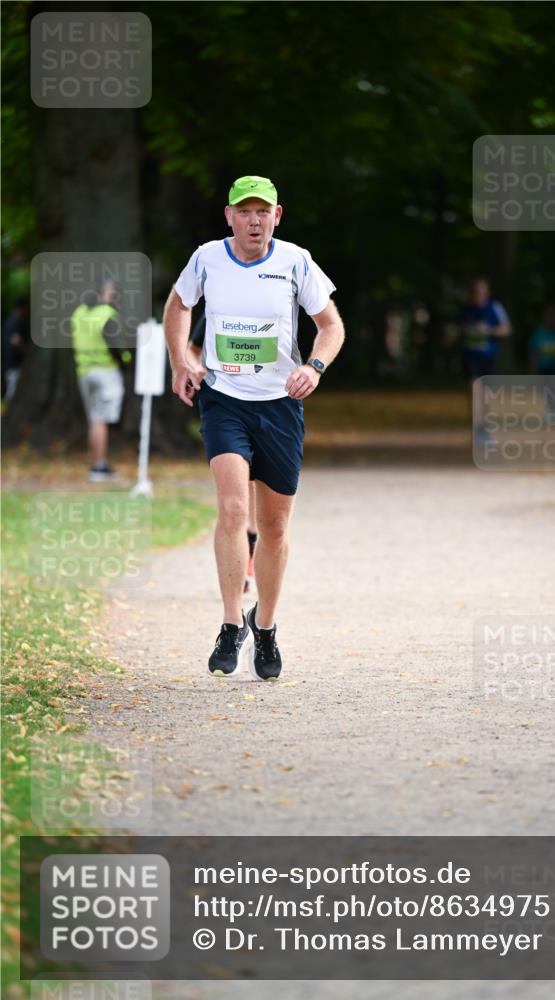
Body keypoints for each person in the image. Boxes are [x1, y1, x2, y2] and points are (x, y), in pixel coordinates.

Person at [164, 175, 345, 680]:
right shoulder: (207, 258)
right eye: (244, 211)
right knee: (232, 507)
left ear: (277, 216)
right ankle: (228, 624)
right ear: (229, 216)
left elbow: (331, 326)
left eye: (262, 211)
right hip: (224, 399)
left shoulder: (295, 261)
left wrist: (313, 367)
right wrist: (182, 362)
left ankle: (263, 627)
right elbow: (179, 305)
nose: (253, 220)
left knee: (274, 526)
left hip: (280, 405)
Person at [188, 313, 257, 594]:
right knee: (234, 501)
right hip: (226, 409)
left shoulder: (276, 304)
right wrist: (194, 369)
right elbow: (192, 349)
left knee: (255, 489)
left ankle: (249, 560)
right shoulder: (219, 306)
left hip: (268, 407)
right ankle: (239, 569)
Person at [71, 280, 126, 482]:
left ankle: (96, 464)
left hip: (84, 371)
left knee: (94, 419)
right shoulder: (106, 314)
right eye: (111, 291)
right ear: (104, 292)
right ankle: (99, 467)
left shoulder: (78, 312)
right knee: (101, 421)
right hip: (105, 371)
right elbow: (116, 346)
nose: (113, 294)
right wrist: (125, 361)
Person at [458, 277, 511, 441]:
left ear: (487, 293)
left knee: (486, 394)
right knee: (473, 389)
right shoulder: (465, 310)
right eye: (475, 292)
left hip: (489, 357)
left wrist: (488, 330)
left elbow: (506, 329)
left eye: (481, 292)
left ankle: (485, 428)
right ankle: (476, 427)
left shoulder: (495, 308)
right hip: (470, 356)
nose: (478, 295)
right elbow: (456, 331)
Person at [1, 294, 29, 401]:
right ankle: (7, 416)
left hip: (8, 362)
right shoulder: (17, 322)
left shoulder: (8, 321)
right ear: (23, 307)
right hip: (15, 363)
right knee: (13, 392)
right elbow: (16, 340)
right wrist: (26, 352)